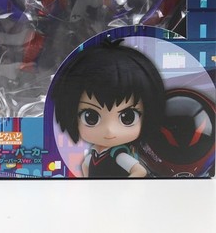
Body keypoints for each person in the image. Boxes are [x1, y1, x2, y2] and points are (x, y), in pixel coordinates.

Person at [51, 39, 166, 178]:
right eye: (91, 117)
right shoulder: (94, 153)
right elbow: (85, 166)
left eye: (128, 117)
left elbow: (140, 171)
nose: (109, 130)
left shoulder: (119, 154)